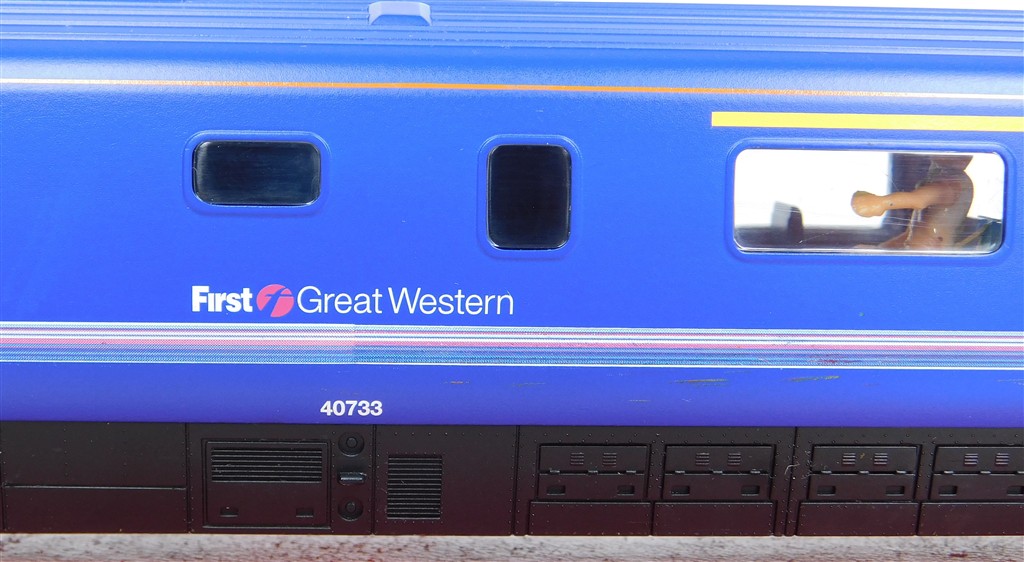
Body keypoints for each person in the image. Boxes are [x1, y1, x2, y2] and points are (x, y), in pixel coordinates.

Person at [851, 155, 974, 250]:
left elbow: (918, 200)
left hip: (930, 249)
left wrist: (881, 203)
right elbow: (910, 233)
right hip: (920, 248)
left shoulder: (953, 184)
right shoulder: (938, 176)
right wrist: (882, 249)